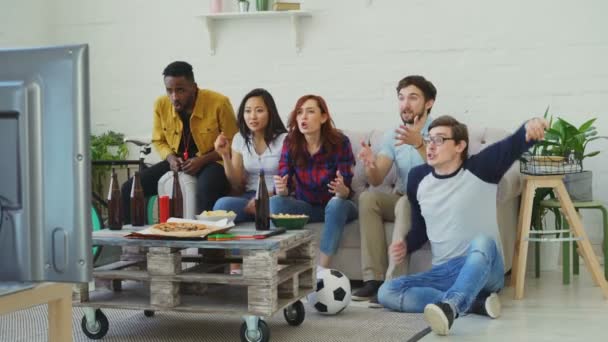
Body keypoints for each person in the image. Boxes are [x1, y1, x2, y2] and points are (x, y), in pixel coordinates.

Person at [377, 115, 547, 336]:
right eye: (429, 139)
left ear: (460, 145)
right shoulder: (417, 178)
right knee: (387, 291)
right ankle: (474, 303)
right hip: (444, 271)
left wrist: (531, 128)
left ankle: (452, 306)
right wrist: (405, 245)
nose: (430, 146)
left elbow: (514, 144)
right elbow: (421, 229)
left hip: (485, 266)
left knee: (482, 241)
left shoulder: (481, 167)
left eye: (439, 140)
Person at [352, 76, 436, 306]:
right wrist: (370, 164)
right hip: (403, 199)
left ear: (429, 102)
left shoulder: (441, 131)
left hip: (432, 202)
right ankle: (374, 280)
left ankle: (394, 284)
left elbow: (441, 169)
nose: (405, 104)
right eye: (401, 98)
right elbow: (377, 178)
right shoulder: (393, 136)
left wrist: (419, 143)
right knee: (369, 198)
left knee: (404, 203)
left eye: (413, 97)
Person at [121, 61, 238, 222]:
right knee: (130, 188)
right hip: (177, 160)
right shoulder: (161, 105)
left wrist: (201, 160)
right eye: (169, 91)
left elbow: (234, 141)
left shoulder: (219, 103)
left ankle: (205, 243)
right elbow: (159, 140)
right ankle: (134, 243)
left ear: (194, 87)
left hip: (213, 160)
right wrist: (170, 158)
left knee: (205, 189)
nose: (174, 97)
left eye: (180, 90)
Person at [270, 95, 357, 269]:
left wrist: (342, 190)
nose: (303, 117)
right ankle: (281, 264)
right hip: (307, 207)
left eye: (310, 112)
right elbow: (284, 180)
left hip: (338, 206)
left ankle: (322, 270)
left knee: (337, 204)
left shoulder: (340, 142)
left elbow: (346, 190)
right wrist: (282, 190)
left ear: (323, 117)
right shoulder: (291, 142)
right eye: (300, 112)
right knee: (275, 202)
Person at [213, 88, 287, 222]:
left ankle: (261, 213)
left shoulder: (284, 139)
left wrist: (263, 199)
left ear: (270, 113)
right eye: (248, 111)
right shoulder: (239, 138)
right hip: (249, 197)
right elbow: (235, 183)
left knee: (275, 207)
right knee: (222, 205)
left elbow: (290, 182)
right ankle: (257, 213)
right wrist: (225, 155)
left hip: (276, 197)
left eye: (259, 110)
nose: (252, 116)